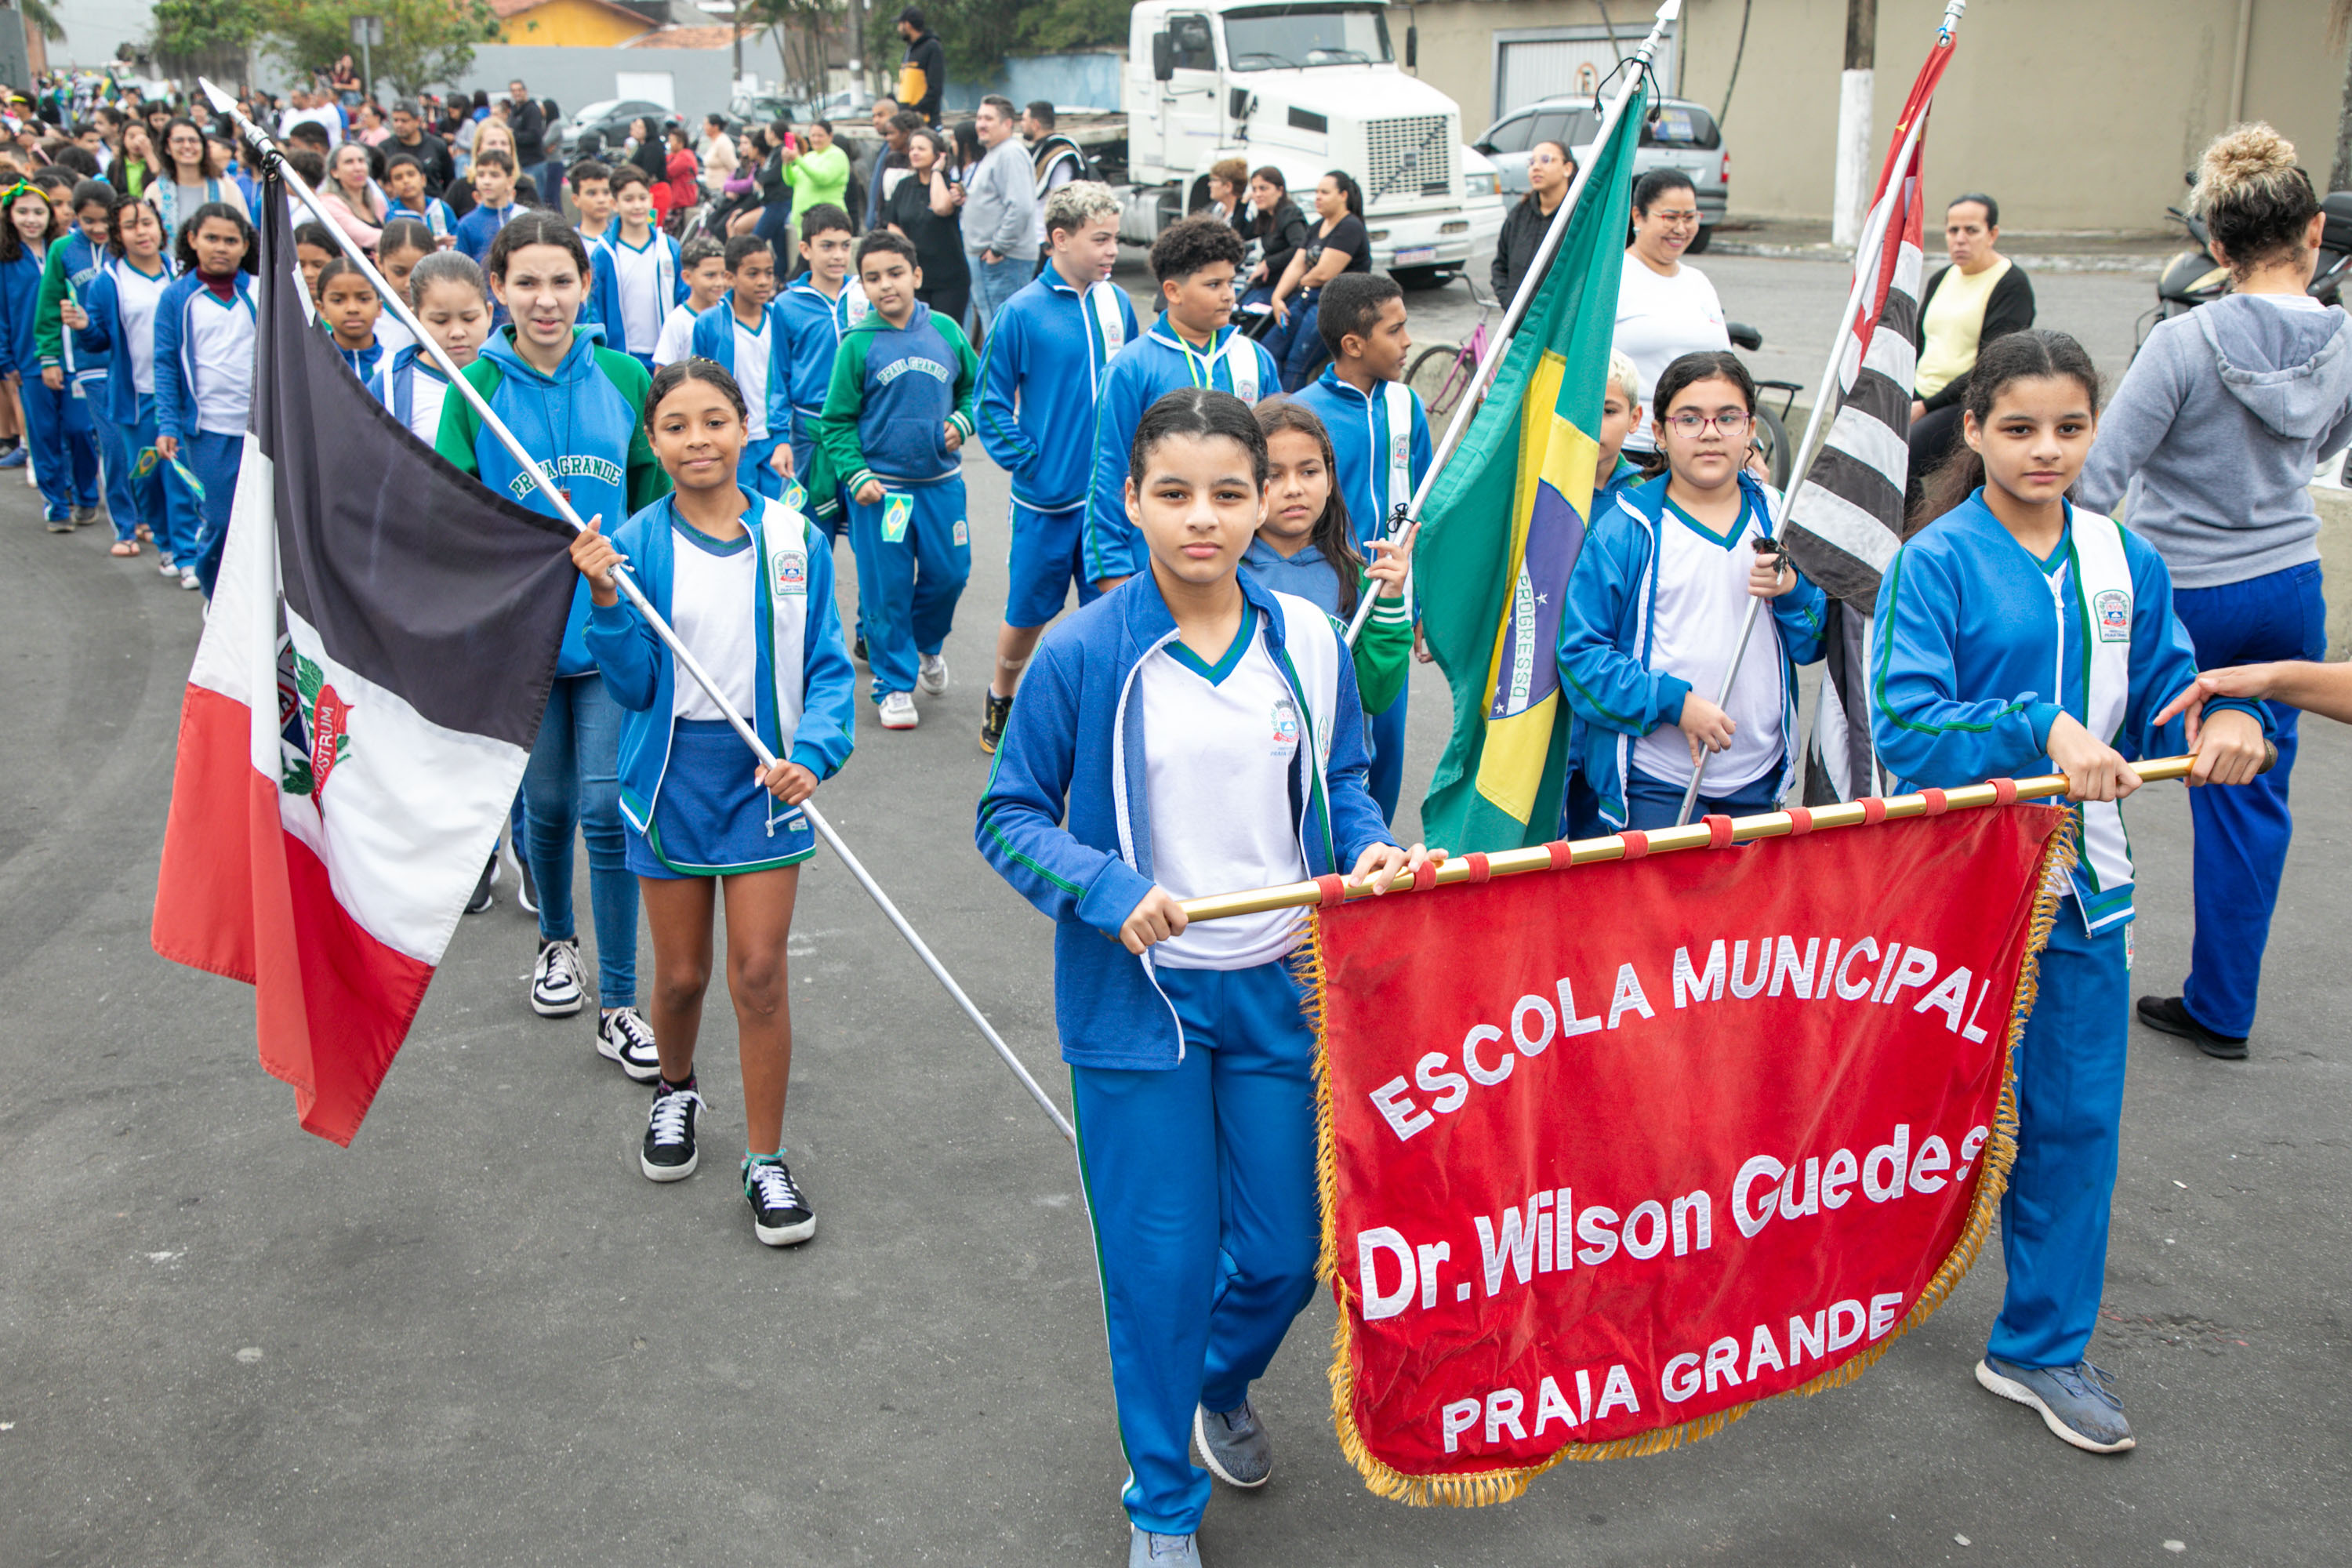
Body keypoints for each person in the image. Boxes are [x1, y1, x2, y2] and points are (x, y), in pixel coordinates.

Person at [974, 386, 1430, 1568]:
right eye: (1174, 495)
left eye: (1230, 494)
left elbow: (1348, 783)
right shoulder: (1084, 651)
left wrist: (1367, 843)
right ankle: (1162, 1506)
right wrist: (1110, 890)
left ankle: (1210, 1385)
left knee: (1284, 1256)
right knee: (1162, 1270)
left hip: (1280, 986)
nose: (1204, 520)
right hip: (1142, 1007)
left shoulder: (1311, 638)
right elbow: (1009, 818)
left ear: (1263, 499)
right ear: (1131, 501)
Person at [1871, 328, 2271, 1454]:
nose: (2046, 451)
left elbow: (2166, 697)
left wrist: (2225, 719)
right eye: (2020, 429)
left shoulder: (2124, 559)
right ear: (1976, 431)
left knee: (2076, 1120)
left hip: (2088, 889)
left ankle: (2040, 1347)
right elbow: (1905, 726)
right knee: (1909, 1109)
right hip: (1952, 894)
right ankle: (1836, 1295)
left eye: (2070, 428)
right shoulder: (1935, 560)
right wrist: (2032, 727)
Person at [2074, 123, 2352, 1063]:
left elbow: (2098, 478)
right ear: (2315, 231)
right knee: (2251, 797)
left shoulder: (2183, 342)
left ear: (2216, 248)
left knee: (2088, 759)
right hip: (2289, 587)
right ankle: (2223, 1005)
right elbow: (2324, 449)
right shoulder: (2344, 336)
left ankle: (2050, 955)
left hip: (2177, 590)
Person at [569, 358, 856, 1246]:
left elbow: (828, 667)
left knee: (759, 974)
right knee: (684, 974)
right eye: (677, 426)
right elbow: (634, 684)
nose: (698, 439)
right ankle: (676, 1088)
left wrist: (813, 752)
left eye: (715, 421)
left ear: (745, 427)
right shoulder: (637, 542)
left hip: (762, 780)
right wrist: (606, 596)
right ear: (652, 442)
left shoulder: (794, 539)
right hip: (668, 778)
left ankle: (765, 1159)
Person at [433, 212, 667, 1077]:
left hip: (610, 631)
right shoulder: (474, 390)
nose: (545, 299)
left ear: (586, 287)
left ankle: (618, 1002)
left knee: (608, 810)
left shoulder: (622, 374)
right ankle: (555, 943)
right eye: (526, 282)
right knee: (550, 805)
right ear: (498, 289)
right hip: (521, 644)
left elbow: (653, 500)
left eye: (561, 281)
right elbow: (448, 514)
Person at [1559, 350, 1824, 833]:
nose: (1709, 432)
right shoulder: (1626, 528)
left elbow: (1815, 639)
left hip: (1758, 779)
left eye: (1728, 418)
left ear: (1750, 430)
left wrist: (1792, 590)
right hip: (1655, 783)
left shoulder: (1779, 516)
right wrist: (1673, 704)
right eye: (1689, 419)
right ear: (1659, 432)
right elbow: (1581, 661)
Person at [975, 181, 1139, 752]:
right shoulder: (1021, 313)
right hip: (1048, 503)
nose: (1111, 250)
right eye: (1100, 239)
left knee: (1110, 615)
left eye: (1115, 238)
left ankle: (1099, 721)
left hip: (1111, 504)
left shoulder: (1118, 303)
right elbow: (989, 404)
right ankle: (1002, 693)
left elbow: (1137, 384)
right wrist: (1030, 459)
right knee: (1029, 610)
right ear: (1059, 239)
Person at [818, 230, 978, 731]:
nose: (886, 285)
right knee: (886, 589)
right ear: (861, 285)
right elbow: (836, 421)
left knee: (950, 574)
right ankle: (892, 683)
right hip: (883, 493)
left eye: (895, 273)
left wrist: (962, 422)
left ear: (917, 275)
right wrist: (855, 473)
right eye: (873, 278)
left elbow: (974, 389)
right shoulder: (857, 346)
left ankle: (925, 647)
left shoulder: (948, 332)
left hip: (941, 487)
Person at [1292, 272, 1432, 819]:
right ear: (1354, 344)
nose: (1408, 342)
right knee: (1327, 741)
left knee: (1387, 746)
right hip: (1329, 605)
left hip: (1388, 604)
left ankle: (1370, 856)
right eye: (1395, 331)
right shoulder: (1305, 415)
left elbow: (1422, 505)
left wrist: (1418, 605)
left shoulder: (1406, 405)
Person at [1083, 216, 1279, 590]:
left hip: (1244, 566)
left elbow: (1273, 462)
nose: (1229, 294)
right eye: (1213, 284)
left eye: (1231, 282)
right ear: (1173, 291)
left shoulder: (1256, 359)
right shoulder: (1131, 367)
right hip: (1150, 569)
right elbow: (1108, 470)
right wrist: (1111, 570)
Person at [1246, 396, 1414, 722]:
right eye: (1274, 475)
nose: (1294, 488)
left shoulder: (1356, 577)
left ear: (1330, 479)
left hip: (1334, 768)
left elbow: (1375, 695)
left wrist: (1390, 600)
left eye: (1309, 471)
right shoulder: (1226, 575)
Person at [153, 201, 259, 594]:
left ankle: (253, 600)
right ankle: (215, 596)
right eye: (212, 238)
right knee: (218, 518)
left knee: (262, 519)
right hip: (207, 430)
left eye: (231, 240)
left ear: (245, 245)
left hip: (259, 429)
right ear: (193, 239)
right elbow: (164, 364)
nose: (221, 248)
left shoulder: (261, 290)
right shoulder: (177, 297)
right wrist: (167, 424)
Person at [63, 194, 172, 558]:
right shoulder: (108, 282)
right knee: (143, 472)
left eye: (147, 223)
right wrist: (82, 326)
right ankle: (135, 525)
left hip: (178, 394)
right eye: (130, 225)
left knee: (179, 473)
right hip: (136, 393)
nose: (142, 232)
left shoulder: (180, 273)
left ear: (160, 227)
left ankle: (179, 548)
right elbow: (98, 341)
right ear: (118, 234)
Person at [1908, 193, 2035, 497]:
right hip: (1920, 394)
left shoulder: (2010, 284)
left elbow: (1992, 364)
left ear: (1992, 234)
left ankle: (1914, 537)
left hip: (1964, 401)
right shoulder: (1941, 278)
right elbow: (1917, 344)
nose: (1960, 239)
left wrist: (1926, 406)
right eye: (1953, 230)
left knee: (1902, 457)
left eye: (1971, 230)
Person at [1614, 169, 1730, 456]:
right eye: (1670, 217)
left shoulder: (1698, 282)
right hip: (1633, 449)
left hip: (1700, 452)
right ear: (1638, 217)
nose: (1681, 229)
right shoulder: (1613, 278)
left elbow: (1727, 366)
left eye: (1689, 218)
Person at [0, 180, 94, 534]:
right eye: (22, 212)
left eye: (38, 211)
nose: (31, 219)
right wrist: (6, 360)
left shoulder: (68, 250)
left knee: (80, 429)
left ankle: (86, 496)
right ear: (9, 215)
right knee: (42, 434)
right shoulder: (6, 260)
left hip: (77, 358)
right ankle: (56, 503)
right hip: (29, 360)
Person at [774, 203, 866, 528]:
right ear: (805, 249)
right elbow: (779, 378)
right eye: (827, 246)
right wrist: (779, 439)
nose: (838, 255)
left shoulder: (865, 294)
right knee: (806, 533)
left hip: (861, 427)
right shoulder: (787, 304)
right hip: (808, 432)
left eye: (845, 245)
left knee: (868, 531)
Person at [687, 234, 795, 499]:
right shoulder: (709, 323)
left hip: (774, 439)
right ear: (730, 277)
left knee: (774, 514)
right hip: (733, 438)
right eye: (753, 273)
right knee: (734, 510)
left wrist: (784, 436)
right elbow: (697, 383)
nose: (763, 281)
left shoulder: (781, 319)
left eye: (769, 273)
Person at [34, 180, 114, 534]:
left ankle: (110, 503)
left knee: (114, 438)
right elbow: (49, 304)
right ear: (75, 217)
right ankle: (76, 499)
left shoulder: (122, 247)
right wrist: (49, 355)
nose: (97, 228)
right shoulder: (63, 249)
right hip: (78, 359)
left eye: (104, 220)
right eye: (87, 220)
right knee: (79, 429)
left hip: (121, 359)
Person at [369, 248, 492, 444]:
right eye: (440, 321)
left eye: (469, 318)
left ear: (489, 314)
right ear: (414, 320)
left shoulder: (508, 376)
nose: (457, 332)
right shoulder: (389, 387)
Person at [1265, 170, 1367, 391]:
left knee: (1296, 364)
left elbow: (1324, 273)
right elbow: (1297, 263)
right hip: (1306, 299)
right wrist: (1277, 297)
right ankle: (1266, 409)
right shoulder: (1317, 226)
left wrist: (1301, 282)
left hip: (1334, 305)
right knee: (1269, 351)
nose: (1318, 197)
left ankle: (1287, 417)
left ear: (1343, 196)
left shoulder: (1350, 226)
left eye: (1325, 192)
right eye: (1316, 192)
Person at [584, 164, 684, 366]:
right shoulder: (603, 253)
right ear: (615, 204)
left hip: (666, 356)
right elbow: (594, 309)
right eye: (628, 199)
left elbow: (683, 297)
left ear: (651, 199)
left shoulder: (669, 248)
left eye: (642, 198)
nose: (637, 205)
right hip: (621, 356)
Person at [962, 96, 1040, 336]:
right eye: (979, 118)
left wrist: (998, 249)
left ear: (1007, 124)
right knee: (994, 328)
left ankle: (1004, 375)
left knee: (1005, 332)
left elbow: (1021, 206)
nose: (981, 124)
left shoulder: (1010, 154)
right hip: (991, 260)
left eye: (988, 118)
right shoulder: (995, 153)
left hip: (1005, 261)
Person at [884, 126, 969, 327]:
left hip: (948, 279)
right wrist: (907, 250)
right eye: (912, 148)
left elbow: (941, 207)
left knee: (944, 333)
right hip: (915, 275)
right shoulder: (903, 185)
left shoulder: (951, 186)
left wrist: (936, 172)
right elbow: (892, 224)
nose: (914, 153)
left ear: (938, 155)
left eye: (921, 149)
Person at [1491, 139, 1575, 305]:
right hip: (1518, 322)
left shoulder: (1578, 217)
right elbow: (1500, 267)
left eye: (1546, 160)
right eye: (1532, 162)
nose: (1536, 167)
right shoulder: (1518, 215)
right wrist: (1509, 300)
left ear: (1567, 168)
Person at [147, 117, 234, 247]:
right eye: (179, 141)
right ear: (167, 147)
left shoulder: (226, 188)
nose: (187, 146)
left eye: (193, 140)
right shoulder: (155, 191)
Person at [1238, 167, 1306, 317]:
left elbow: (1300, 247)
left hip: (1285, 285)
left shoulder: (1289, 213)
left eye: (1263, 188)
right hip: (1266, 283)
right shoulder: (1266, 216)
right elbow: (1238, 234)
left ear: (1280, 190)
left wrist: (1269, 263)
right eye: (1254, 189)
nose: (1257, 194)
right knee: (1237, 310)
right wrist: (1243, 202)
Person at [652, 234, 728, 369]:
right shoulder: (677, 321)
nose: (719, 283)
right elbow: (662, 371)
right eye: (710, 275)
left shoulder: (729, 313)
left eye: (723, 274)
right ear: (687, 277)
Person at [1024, 100, 1083, 259]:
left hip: (1046, 239)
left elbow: (1059, 196)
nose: (1022, 125)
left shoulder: (1059, 153)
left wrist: (1049, 235)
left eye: (1024, 120)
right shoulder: (1042, 149)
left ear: (1035, 124)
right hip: (1035, 239)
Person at [314, 255, 386, 381]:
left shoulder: (397, 368)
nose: (352, 309)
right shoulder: (311, 366)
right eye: (338, 300)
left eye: (363, 299)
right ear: (321, 308)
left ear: (379, 307)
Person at [778, 119, 850, 244]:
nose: (816, 139)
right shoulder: (809, 157)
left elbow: (822, 178)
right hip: (804, 224)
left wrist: (798, 159)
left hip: (827, 223)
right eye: (813, 135)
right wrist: (787, 163)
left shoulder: (837, 155)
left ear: (830, 136)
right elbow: (790, 180)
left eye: (820, 135)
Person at [452, 149, 520, 269]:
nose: (486, 181)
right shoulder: (467, 224)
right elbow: (461, 270)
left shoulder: (523, 216)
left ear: (510, 182)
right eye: (481, 175)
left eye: (494, 175)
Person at [318, 141, 389, 251]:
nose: (358, 168)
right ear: (334, 172)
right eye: (349, 162)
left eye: (361, 161)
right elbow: (366, 236)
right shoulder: (328, 204)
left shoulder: (377, 203)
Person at [384, 154, 457, 246]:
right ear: (392, 186)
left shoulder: (440, 207)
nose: (406, 181)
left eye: (411, 175)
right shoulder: (394, 217)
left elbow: (456, 237)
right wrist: (431, 244)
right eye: (398, 178)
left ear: (423, 180)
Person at [388, 100, 456, 198]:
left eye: (404, 121)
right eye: (396, 120)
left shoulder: (437, 145)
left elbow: (450, 181)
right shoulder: (385, 148)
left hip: (433, 206)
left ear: (418, 121)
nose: (399, 125)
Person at [866, 108, 918, 234]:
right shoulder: (890, 159)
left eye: (891, 133)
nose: (888, 138)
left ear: (906, 134)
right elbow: (880, 197)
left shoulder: (919, 163)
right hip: (888, 228)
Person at [895, 7, 947, 125]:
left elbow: (935, 89)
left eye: (899, 25)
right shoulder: (910, 50)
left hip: (924, 122)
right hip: (907, 122)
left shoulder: (932, 47)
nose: (898, 29)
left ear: (907, 25)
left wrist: (914, 111)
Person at [568, 159, 614, 248]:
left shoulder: (622, 237)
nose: (601, 200)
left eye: (606, 192)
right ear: (576, 200)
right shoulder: (570, 243)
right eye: (592, 193)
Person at [697, 112, 738, 199]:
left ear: (715, 127)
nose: (704, 127)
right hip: (712, 189)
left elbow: (733, 166)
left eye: (706, 124)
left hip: (721, 189)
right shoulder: (714, 141)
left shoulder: (723, 142)